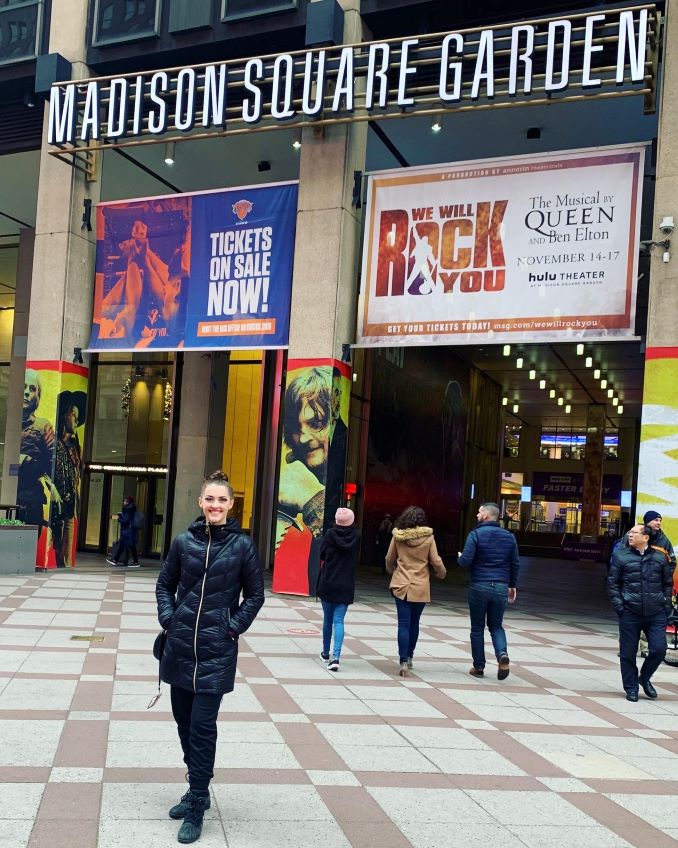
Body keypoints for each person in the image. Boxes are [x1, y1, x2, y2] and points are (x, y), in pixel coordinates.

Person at [156, 470, 265, 844]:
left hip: (217, 652)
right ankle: (193, 787)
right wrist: (169, 619)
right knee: (185, 726)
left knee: (202, 728)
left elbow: (254, 595)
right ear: (200, 503)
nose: (215, 505)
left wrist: (231, 627)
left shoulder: (242, 547)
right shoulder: (183, 542)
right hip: (180, 649)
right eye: (210, 499)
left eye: (222, 500)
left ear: (231, 505)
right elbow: (164, 584)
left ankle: (199, 800)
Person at [607, 523, 674, 702]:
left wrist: (666, 604)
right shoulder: (621, 556)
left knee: (659, 649)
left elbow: (667, 584)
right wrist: (620, 607)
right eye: (630, 532)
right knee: (627, 653)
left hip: (656, 612)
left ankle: (644, 678)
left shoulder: (660, 557)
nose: (630, 535)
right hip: (630, 612)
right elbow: (613, 584)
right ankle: (631, 688)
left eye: (634, 533)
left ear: (645, 537)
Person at [458, 502, 520, 680]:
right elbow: (515, 563)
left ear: (486, 515)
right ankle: (502, 654)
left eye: (479, 512)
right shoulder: (509, 537)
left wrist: (461, 557)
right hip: (501, 586)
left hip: (479, 584)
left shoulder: (475, 534)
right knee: (496, 625)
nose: (477, 515)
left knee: (477, 627)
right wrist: (512, 585)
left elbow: (465, 562)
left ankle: (478, 667)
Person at [385, 505, 446, 676]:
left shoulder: (398, 537)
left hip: (401, 585)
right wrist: (442, 573)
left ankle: (402, 660)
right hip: (420, 586)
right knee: (414, 623)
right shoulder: (429, 538)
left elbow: (390, 558)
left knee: (403, 624)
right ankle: (410, 656)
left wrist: (392, 571)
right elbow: (435, 560)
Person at [317, 507, 361, 672]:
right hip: (346, 584)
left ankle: (325, 653)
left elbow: (322, 554)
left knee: (327, 620)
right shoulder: (357, 536)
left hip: (328, 582)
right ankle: (336, 658)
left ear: (336, 521)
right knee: (339, 621)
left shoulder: (329, 535)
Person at [18, 369, 59, 532]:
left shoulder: (43, 427)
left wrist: (27, 461)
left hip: (30, 500)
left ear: (38, 396)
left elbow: (52, 465)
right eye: (24, 386)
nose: (27, 392)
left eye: (32, 389)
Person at [50, 391, 86, 568]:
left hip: (70, 507)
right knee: (56, 544)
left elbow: (76, 475)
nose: (77, 421)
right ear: (66, 415)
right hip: (56, 507)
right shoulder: (55, 444)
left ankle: (64, 570)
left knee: (66, 553)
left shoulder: (75, 449)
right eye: (74, 415)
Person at [107, 495, 140, 568]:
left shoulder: (128, 509)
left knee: (127, 546)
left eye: (124, 501)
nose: (123, 502)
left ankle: (116, 560)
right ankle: (116, 560)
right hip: (129, 531)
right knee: (127, 546)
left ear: (127, 502)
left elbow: (126, 520)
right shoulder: (131, 508)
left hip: (128, 532)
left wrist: (119, 519)